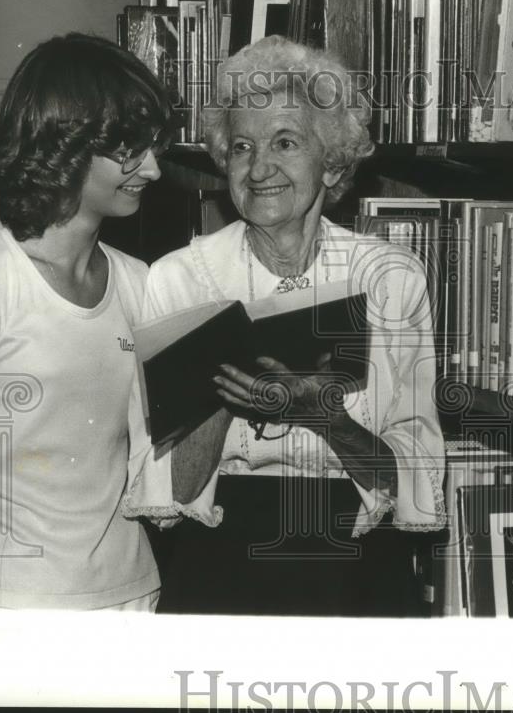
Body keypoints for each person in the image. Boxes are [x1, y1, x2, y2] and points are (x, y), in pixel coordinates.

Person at [123, 35, 447, 616]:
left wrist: (327, 421)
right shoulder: (180, 278)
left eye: (286, 142)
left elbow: (413, 479)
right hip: (222, 553)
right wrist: (228, 392)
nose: (260, 167)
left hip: (358, 558)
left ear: (333, 161)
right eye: (242, 146)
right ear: (223, 162)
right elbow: (164, 493)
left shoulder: (390, 278)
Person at [0, 33, 173, 610]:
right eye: (131, 150)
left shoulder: (141, 283)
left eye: (153, 147)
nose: (155, 170)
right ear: (67, 145)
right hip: (18, 611)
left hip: (136, 598)